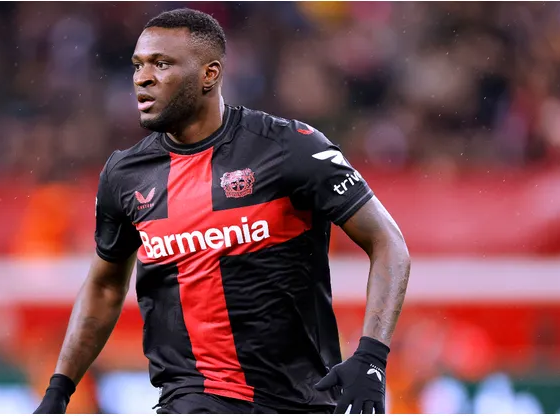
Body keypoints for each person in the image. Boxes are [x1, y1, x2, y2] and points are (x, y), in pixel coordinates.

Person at [34, 8, 410, 414]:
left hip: (303, 400)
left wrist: (372, 357)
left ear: (209, 74)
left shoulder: (292, 148)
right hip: (191, 397)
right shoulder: (125, 176)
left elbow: (387, 243)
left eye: (161, 64)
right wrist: (59, 390)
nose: (143, 78)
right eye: (138, 65)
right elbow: (105, 286)